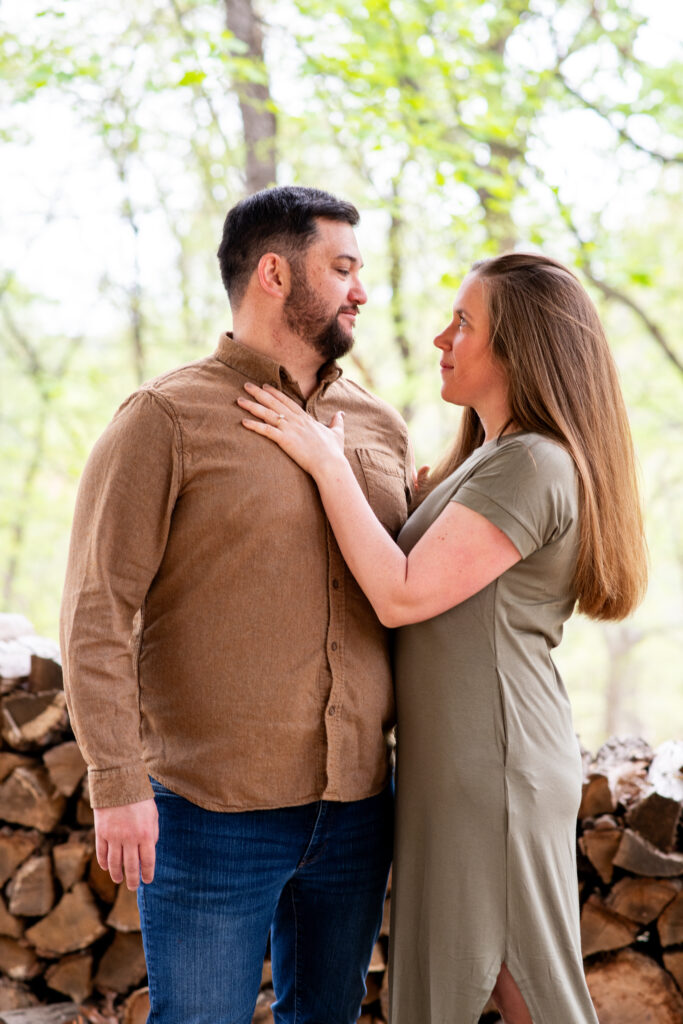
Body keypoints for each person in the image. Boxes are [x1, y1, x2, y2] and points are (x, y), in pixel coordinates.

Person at [238, 251, 648, 1024]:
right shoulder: (494, 458)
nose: (439, 338)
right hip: (460, 760)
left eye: (463, 322)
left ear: (521, 347)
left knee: (520, 980)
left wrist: (327, 463)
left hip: (491, 763)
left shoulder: (529, 463)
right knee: (479, 975)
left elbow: (398, 595)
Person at [60, 185, 413, 1024]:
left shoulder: (378, 425)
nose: (361, 290)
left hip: (358, 805)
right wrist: (116, 782)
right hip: (211, 816)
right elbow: (96, 613)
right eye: (342, 268)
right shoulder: (164, 419)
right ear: (274, 274)